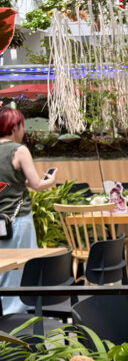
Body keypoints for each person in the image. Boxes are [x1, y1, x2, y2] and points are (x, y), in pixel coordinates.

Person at [0, 108, 57, 315]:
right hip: (17, 218)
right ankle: (17, 314)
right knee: (22, 266)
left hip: (0, 220)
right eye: (22, 125)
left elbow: (7, 181)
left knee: (2, 266)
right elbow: (37, 184)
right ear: (15, 127)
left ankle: (4, 312)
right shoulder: (19, 150)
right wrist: (50, 181)